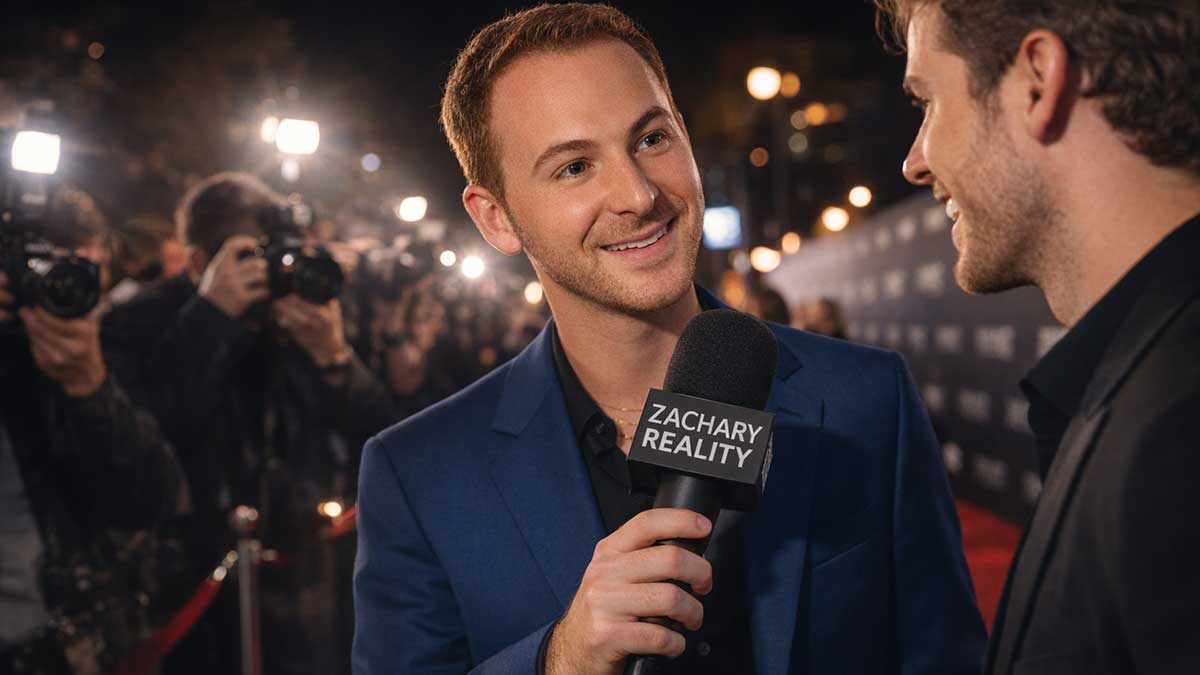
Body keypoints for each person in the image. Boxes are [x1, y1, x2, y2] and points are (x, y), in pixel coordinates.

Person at [353, 5, 984, 674]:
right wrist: (559, 660)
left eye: (652, 139)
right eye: (573, 168)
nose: (637, 194)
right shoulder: (418, 474)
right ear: (496, 217)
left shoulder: (867, 399)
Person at [878, 0, 1200, 672]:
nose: (915, 161)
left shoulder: (1177, 428)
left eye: (926, 102)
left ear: (1037, 81)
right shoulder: (1139, 387)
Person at [103, 171, 397, 675]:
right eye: (248, 256)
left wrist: (335, 359)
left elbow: (381, 438)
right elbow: (143, 439)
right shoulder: (139, 322)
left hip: (301, 577)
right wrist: (211, 317)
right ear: (198, 260)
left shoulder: (297, 312)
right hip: (188, 588)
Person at [0, 208, 184, 673]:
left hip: (81, 639)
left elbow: (153, 498)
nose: (58, 289)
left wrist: (88, 385)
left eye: (77, 271)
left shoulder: (102, 342)